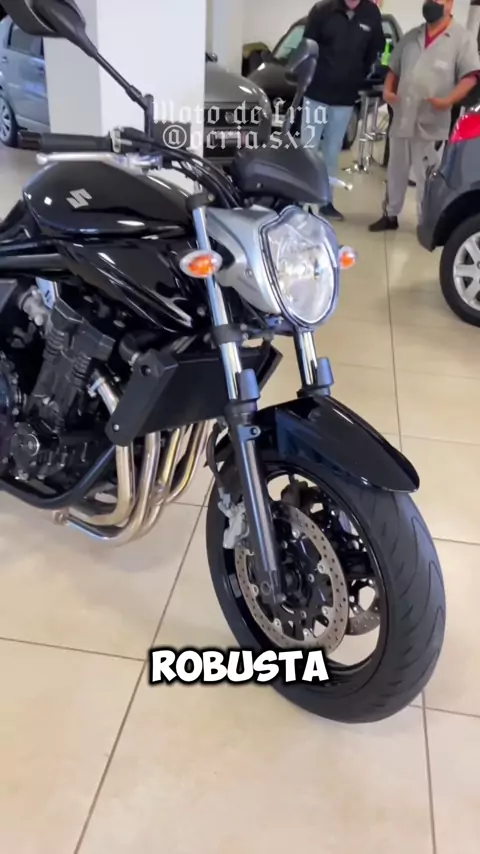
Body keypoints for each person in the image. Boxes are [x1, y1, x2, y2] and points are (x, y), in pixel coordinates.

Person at [369, 0, 480, 232]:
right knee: (396, 171)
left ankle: (426, 222)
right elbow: (394, 69)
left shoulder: (462, 39)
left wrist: (449, 100)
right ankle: (390, 215)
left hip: (432, 122)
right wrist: (388, 91)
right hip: (403, 116)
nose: (430, 3)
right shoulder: (412, 36)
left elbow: (470, 77)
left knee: (427, 177)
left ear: (450, 5)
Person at [301, 0, 385, 221]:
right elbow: (308, 48)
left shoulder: (370, 13)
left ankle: (326, 202)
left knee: (332, 152)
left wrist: (356, 77)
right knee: (308, 149)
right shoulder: (323, 10)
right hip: (316, 94)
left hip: (345, 98)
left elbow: (374, 50)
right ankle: (301, 202)